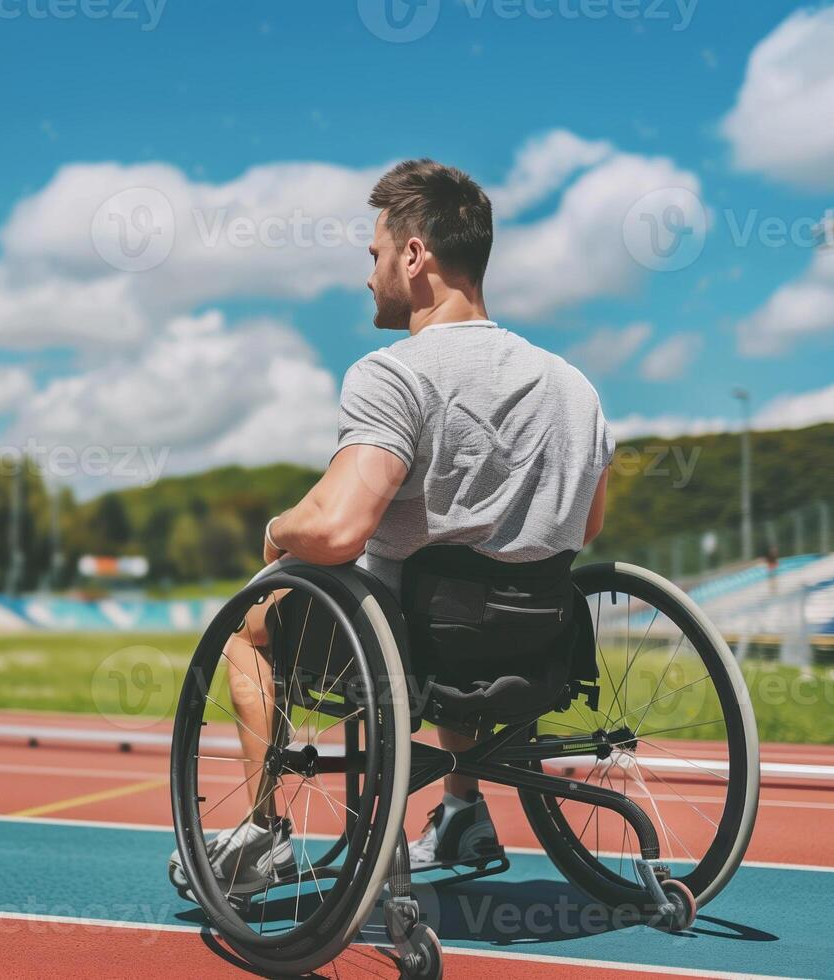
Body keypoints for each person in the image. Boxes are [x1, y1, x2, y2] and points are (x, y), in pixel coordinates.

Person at [169, 158, 613, 895]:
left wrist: (280, 529)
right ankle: (463, 810)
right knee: (453, 590)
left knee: (250, 619)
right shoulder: (576, 387)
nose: (368, 275)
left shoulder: (396, 373)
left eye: (374, 256)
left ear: (415, 256)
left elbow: (340, 529)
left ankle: (262, 830)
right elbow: (584, 525)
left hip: (414, 644)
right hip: (533, 641)